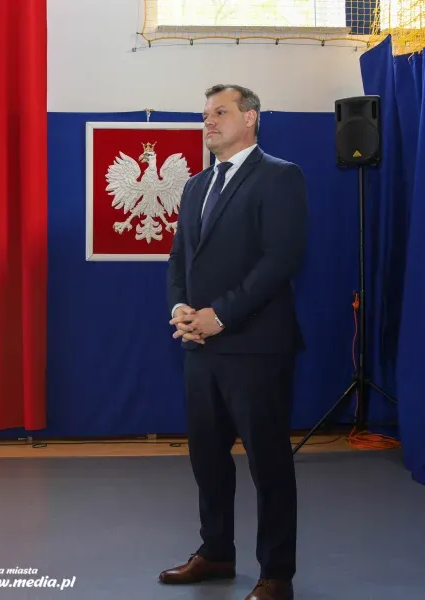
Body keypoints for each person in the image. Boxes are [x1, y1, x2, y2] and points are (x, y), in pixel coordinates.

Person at [162, 84, 308, 600]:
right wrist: (181, 309)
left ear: (250, 118)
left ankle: (277, 575)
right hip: (200, 348)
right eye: (204, 114)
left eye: (219, 112)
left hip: (256, 348)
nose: (208, 121)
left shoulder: (281, 176)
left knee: (268, 464)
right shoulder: (196, 185)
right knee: (207, 459)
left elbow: (280, 260)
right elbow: (180, 258)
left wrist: (220, 316)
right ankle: (217, 552)